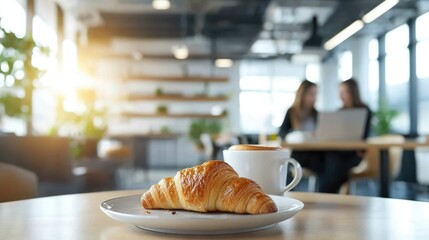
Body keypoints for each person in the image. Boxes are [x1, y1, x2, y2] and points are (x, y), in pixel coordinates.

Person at [320, 78, 372, 193]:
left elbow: (365, 135)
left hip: (355, 153)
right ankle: (330, 195)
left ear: (353, 92)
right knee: (331, 161)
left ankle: (325, 195)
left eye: (344, 92)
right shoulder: (339, 111)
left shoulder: (365, 110)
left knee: (336, 165)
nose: (341, 95)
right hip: (338, 151)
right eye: (340, 92)